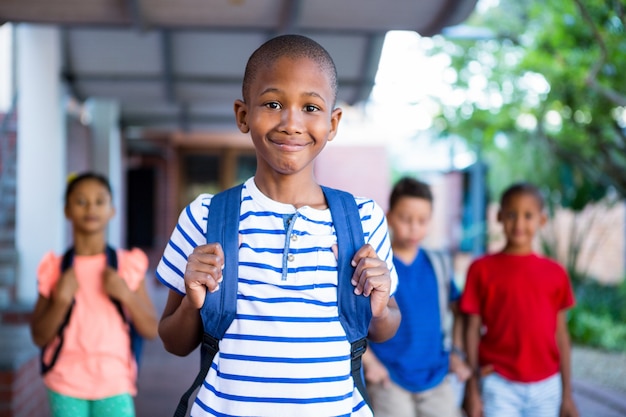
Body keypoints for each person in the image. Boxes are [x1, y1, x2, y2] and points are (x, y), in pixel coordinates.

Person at [156, 34, 401, 417]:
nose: (291, 123)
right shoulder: (205, 216)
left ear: (333, 122)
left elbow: (382, 328)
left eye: (310, 107)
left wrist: (381, 307)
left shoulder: (363, 219)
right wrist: (192, 300)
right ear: (243, 115)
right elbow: (173, 341)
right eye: (273, 104)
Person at [30, 172, 159, 417]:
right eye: (81, 201)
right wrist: (60, 301)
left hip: (115, 382)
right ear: (67, 210)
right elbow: (39, 335)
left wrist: (126, 294)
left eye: (100, 201)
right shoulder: (54, 268)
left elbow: (152, 329)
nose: (91, 208)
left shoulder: (126, 265)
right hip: (64, 381)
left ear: (112, 210)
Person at [460, 182, 579, 417]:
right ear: (499, 217)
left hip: (547, 386)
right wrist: (472, 389)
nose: (519, 224)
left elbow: (562, 335)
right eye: (512, 215)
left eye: (528, 216)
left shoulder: (556, 273)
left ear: (542, 220)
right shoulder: (481, 269)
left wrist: (567, 395)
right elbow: (471, 330)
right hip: (498, 382)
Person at [362, 177, 471, 417]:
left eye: (422, 220)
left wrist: (457, 352)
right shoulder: (376, 266)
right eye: (405, 218)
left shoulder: (438, 264)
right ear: (389, 217)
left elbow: (459, 311)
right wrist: (370, 363)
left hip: (436, 376)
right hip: (389, 378)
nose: (414, 227)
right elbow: (352, 319)